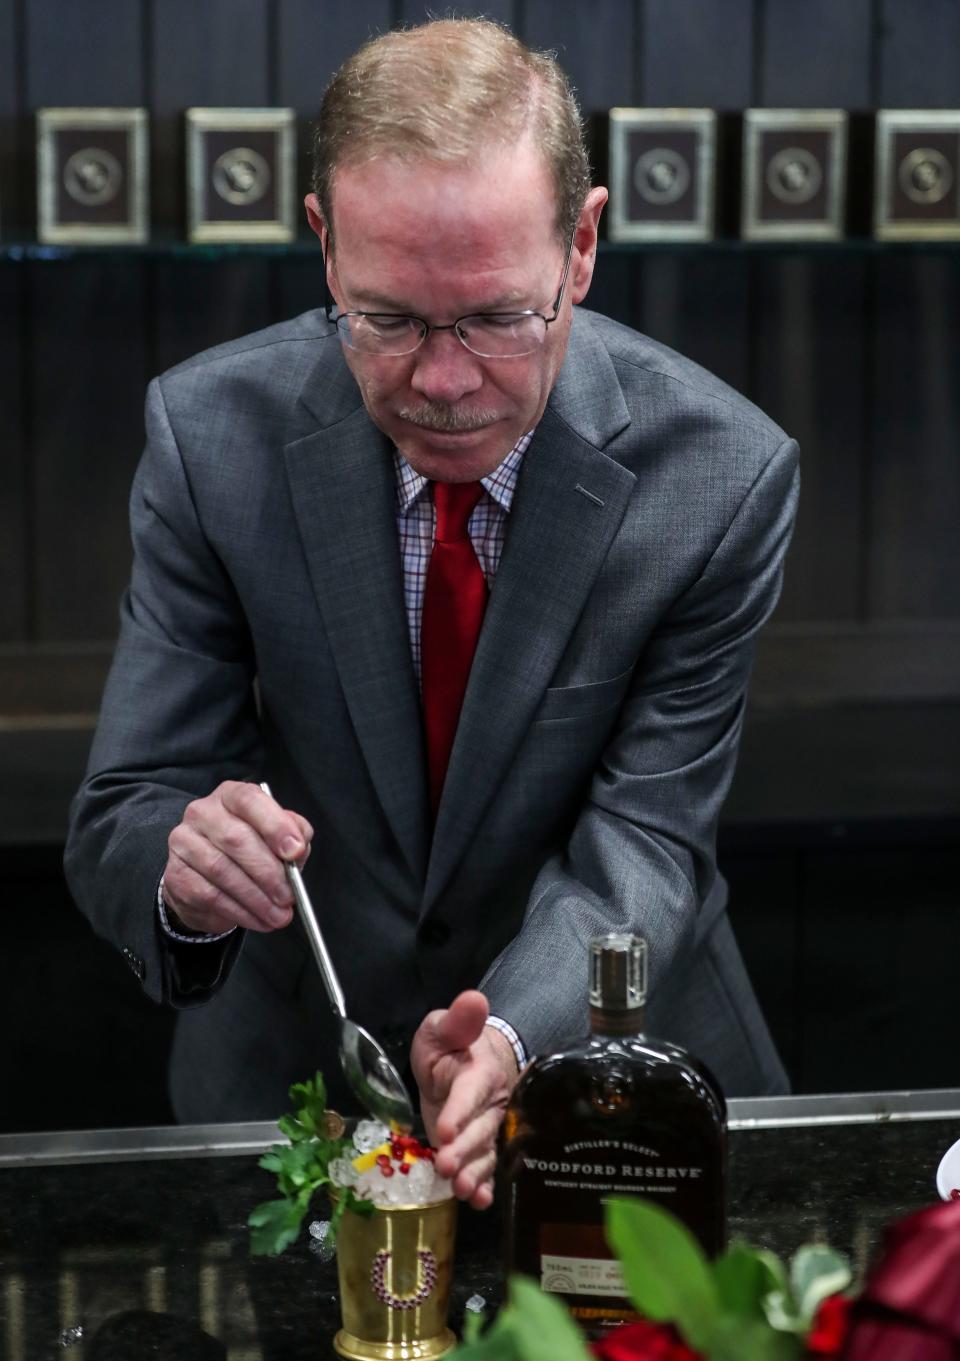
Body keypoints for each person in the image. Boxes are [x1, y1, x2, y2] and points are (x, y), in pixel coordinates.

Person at [65, 18, 799, 1210]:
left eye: (501, 319)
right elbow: (127, 805)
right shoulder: (210, 442)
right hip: (296, 1069)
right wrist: (186, 873)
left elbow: (650, 840)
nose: (444, 382)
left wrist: (514, 1034)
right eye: (390, 318)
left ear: (584, 245)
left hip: (618, 1081)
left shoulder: (719, 475)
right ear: (323, 247)